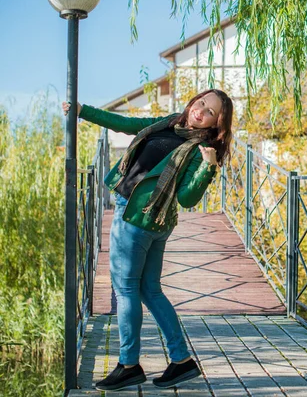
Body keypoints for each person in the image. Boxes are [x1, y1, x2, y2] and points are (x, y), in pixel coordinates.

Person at [62, 89, 233, 391]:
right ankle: (181, 360)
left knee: (126, 288)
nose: (200, 110)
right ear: (193, 101)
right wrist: (82, 111)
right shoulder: (168, 123)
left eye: (210, 112)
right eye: (201, 102)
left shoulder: (200, 149)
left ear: (215, 124)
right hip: (153, 220)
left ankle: (128, 365)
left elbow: (187, 198)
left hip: (137, 217)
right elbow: (126, 124)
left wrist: (208, 167)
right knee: (150, 290)